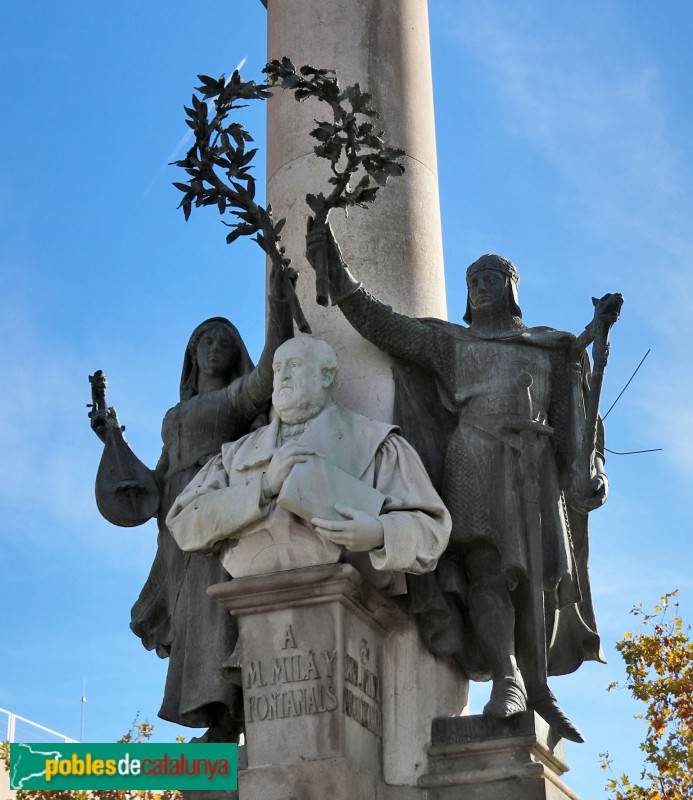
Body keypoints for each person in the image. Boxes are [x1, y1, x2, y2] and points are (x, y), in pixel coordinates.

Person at [304, 227, 609, 743]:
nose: (481, 287)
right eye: (473, 281)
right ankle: (507, 677)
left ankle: (540, 688)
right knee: (484, 567)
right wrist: (337, 270)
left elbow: (574, 432)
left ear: (512, 287)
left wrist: (589, 471)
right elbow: (385, 325)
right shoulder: (451, 343)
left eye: (492, 278)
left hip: (532, 467)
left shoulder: (551, 349)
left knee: (538, 581)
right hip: (474, 455)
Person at [89, 269, 293, 742]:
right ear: (192, 353)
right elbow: (157, 480)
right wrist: (113, 440)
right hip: (173, 527)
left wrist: (278, 303)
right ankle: (214, 715)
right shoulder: (173, 416)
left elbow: (267, 374)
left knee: (213, 612)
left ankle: (225, 718)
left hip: (215, 513)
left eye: (225, 341)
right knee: (186, 619)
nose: (215, 347)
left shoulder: (233, 398)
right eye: (207, 340)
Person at [166, 337, 451, 585]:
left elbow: (431, 531)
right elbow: (184, 522)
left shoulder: (376, 443)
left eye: (295, 365)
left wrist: (380, 534)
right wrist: (263, 487)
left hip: (352, 604)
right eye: (277, 369)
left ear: (327, 377)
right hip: (251, 598)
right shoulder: (235, 454)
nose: (283, 377)